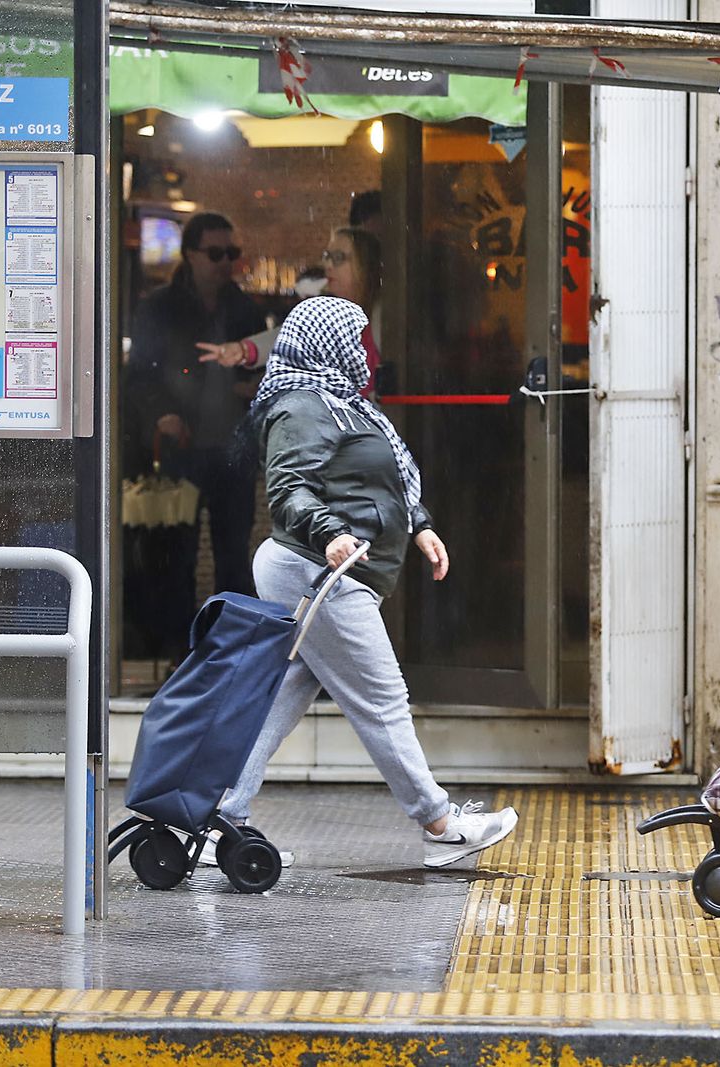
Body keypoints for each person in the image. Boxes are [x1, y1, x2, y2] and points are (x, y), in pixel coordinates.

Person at [213, 295, 518, 869]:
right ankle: (440, 823)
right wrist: (329, 533)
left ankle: (219, 813)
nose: (364, 352)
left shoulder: (343, 403)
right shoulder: (302, 406)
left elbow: (379, 480)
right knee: (382, 698)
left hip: (329, 567)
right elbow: (288, 489)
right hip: (318, 569)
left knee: (282, 694)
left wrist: (419, 525)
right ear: (325, 344)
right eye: (354, 340)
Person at [126, 211, 269, 649]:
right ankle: (179, 649)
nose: (225, 262)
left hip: (232, 447)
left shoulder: (244, 308)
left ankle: (228, 647)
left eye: (232, 252)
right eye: (215, 253)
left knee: (233, 554)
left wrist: (253, 387)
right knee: (176, 554)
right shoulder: (159, 308)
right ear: (190, 255)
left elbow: (266, 367)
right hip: (181, 445)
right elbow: (140, 376)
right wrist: (162, 416)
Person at [199, 227, 382, 398]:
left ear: (364, 264)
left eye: (339, 257)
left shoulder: (386, 317)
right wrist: (244, 351)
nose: (327, 265)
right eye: (327, 256)